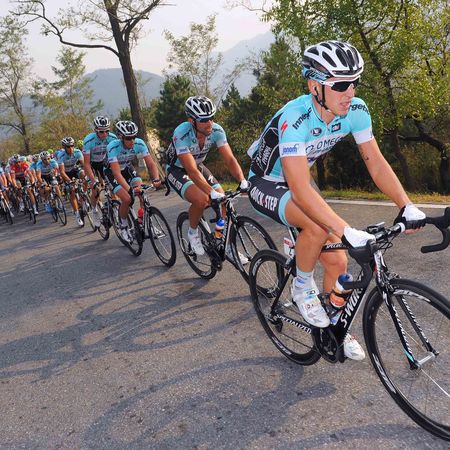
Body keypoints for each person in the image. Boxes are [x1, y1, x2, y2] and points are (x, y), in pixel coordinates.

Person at [247, 40, 426, 361]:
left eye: (354, 83)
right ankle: (302, 286)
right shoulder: (295, 118)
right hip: (267, 182)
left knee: (338, 261)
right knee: (317, 227)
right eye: (341, 85)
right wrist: (346, 229)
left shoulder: (356, 110)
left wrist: (405, 204)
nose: (350, 92)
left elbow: (376, 162)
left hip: (299, 178)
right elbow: (300, 190)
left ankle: (334, 327)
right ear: (314, 86)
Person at [166, 96, 249, 260]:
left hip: (198, 166)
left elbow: (230, 159)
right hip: (177, 170)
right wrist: (210, 192)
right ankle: (192, 232)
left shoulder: (217, 131)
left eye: (211, 117)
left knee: (225, 202)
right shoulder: (181, 133)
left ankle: (225, 244)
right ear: (192, 121)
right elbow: (191, 170)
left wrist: (242, 180)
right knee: (202, 199)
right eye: (204, 120)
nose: (209, 123)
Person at [104, 120, 161, 242]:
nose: (132, 141)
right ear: (121, 137)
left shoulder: (139, 143)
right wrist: (129, 189)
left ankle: (145, 222)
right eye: (128, 138)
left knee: (141, 192)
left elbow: (151, 164)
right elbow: (116, 173)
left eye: (134, 137)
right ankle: (123, 225)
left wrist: (156, 179)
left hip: (127, 168)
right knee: (127, 199)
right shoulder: (113, 147)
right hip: (112, 172)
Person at [83, 116, 118, 228]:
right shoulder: (88, 140)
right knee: (95, 190)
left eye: (107, 131)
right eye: (101, 132)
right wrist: (93, 181)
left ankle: (115, 209)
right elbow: (86, 163)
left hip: (104, 163)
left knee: (113, 187)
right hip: (92, 164)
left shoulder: (112, 138)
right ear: (95, 130)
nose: (105, 134)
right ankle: (94, 211)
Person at [58, 137, 86, 226]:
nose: (71, 148)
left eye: (72, 146)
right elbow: (62, 172)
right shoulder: (61, 155)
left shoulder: (77, 152)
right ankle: (77, 214)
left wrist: (88, 176)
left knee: (84, 174)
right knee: (72, 190)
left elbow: (84, 165)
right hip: (66, 173)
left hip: (74, 169)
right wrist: (70, 181)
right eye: (68, 147)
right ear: (64, 147)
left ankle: (84, 195)